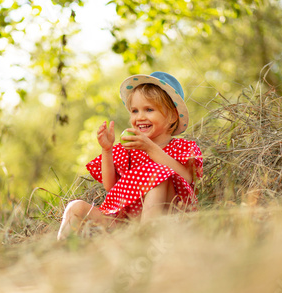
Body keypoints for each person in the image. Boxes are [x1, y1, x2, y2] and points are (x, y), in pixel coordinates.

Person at [57, 72, 203, 240]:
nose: (140, 117)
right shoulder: (129, 149)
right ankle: (60, 249)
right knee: (76, 207)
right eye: (134, 111)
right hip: (125, 223)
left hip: (166, 219)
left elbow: (188, 177)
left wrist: (150, 148)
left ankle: (146, 237)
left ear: (172, 116)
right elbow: (110, 186)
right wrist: (107, 150)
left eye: (149, 109)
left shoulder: (183, 147)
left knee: (159, 175)